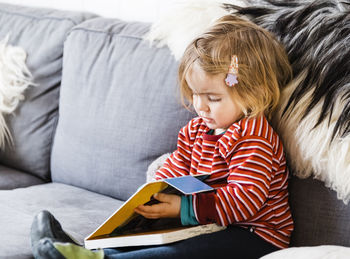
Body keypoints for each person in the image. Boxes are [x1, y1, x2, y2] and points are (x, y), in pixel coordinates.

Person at [31, 15, 293, 259]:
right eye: (194, 95)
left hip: (252, 236)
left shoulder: (253, 139)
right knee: (145, 234)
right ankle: (88, 249)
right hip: (207, 222)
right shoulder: (196, 131)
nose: (200, 107)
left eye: (213, 98)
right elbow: (179, 168)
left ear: (254, 94)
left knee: (181, 253)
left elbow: (245, 200)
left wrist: (184, 209)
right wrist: (157, 190)